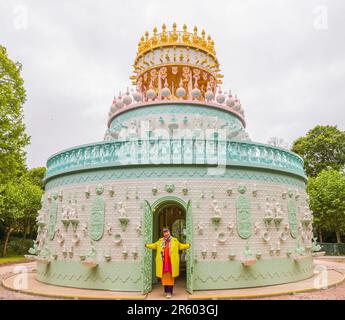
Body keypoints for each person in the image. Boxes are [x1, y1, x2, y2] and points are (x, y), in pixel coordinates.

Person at [145, 227, 190, 298]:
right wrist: (146, 245)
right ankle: (166, 291)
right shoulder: (160, 241)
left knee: (171, 278)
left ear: (169, 232)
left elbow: (181, 246)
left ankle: (169, 292)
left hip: (171, 262)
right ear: (163, 234)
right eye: (164, 232)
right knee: (164, 278)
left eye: (167, 232)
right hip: (163, 263)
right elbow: (154, 245)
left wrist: (188, 245)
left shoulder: (175, 241)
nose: (166, 234)